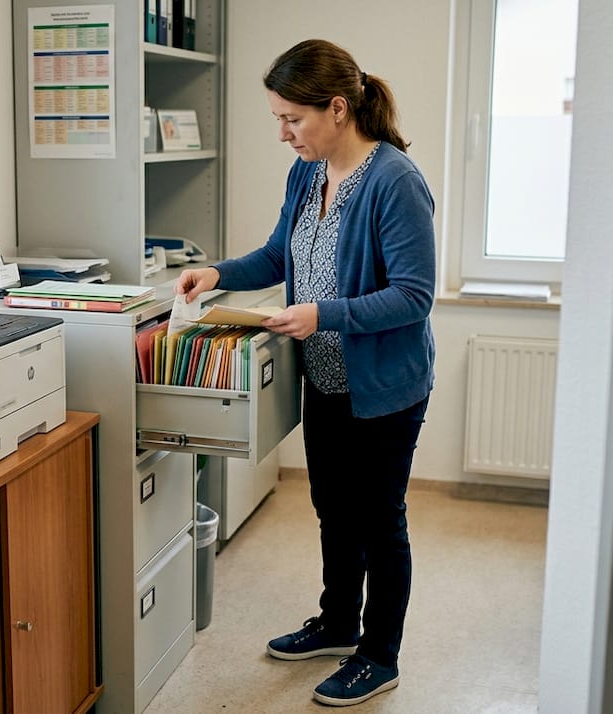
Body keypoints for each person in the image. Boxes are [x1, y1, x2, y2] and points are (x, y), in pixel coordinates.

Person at [175, 39, 435, 708]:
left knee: (380, 521)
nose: (284, 133)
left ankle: (380, 654)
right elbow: (274, 256)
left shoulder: (393, 180)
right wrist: (216, 274)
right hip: (323, 378)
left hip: (384, 385)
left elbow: (413, 296)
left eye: (293, 118)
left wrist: (322, 313)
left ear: (339, 109)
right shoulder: (307, 174)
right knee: (333, 511)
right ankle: (339, 622)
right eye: (278, 119)